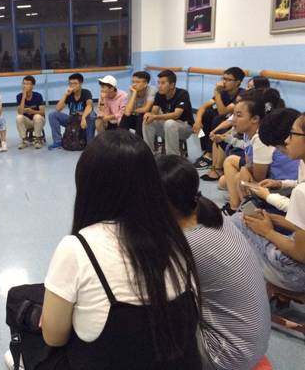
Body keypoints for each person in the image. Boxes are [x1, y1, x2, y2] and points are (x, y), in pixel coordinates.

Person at [12, 130, 202, 369]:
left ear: (88, 186)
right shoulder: (176, 240)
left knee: (20, 307)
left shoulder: (77, 248)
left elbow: (54, 337)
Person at [157, 155, 270, 370]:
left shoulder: (188, 243)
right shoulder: (212, 214)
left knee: (147, 322)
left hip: (225, 356)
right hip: (254, 343)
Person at [232, 113, 305, 292]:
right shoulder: (302, 167)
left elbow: (300, 254)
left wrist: (268, 232)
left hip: (299, 277)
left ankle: (252, 292)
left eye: (292, 134)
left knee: (236, 222)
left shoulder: (301, 192)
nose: (286, 141)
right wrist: (276, 220)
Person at [245, 108, 302, 213]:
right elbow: (301, 183)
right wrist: (280, 184)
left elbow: (299, 210)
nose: (287, 140)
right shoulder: (302, 161)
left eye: (293, 134)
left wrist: (268, 196)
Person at [193, 67, 246, 169]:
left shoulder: (242, 94)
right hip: (222, 119)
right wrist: (198, 121)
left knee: (218, 118)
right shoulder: (224, 92)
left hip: (233, 124)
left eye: (228, 80)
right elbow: (203, 107)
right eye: (223, 78)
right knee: (205, 115)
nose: (224, 82)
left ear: (237, 82)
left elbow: (223, 112)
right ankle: (206, 151)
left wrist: (217, 93)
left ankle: (210, 154)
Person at [142, 70, 194, 156]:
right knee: (147, 120)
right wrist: (150, 115)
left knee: (170, 123)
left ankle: (172, 157)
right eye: (158, 83)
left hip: (185, 127)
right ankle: (149, 154)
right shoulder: (159, 94)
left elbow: (176, 115)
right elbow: (154, 111)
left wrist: (155, 117)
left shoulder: (183, 93)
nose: (159, 86)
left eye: (163, 83)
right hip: (167, 126)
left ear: (172, 85)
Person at [48, 73, 95, 150]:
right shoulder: (69, 95)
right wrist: (65, 95)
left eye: (75, 83)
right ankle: (57, 142)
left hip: (84, 121)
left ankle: (89, 144)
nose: (72, 86)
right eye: (70, 83)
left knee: (92, 115)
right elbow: (57, 109)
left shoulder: (86, 92)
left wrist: (83, 118)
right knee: (52, 115)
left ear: (81, 83)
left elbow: (89, 106)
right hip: (72, 120)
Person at [120, 71, 157, 137]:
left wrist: (132, 110)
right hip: (136, 117)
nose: (134, 84)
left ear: (145, 84)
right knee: (125, 118)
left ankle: (139, 141)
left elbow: (146, 109)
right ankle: (122, 140)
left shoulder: (152, 90)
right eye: (133, 82)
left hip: (148, 119)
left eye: (137, 82)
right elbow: (127, 113)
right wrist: (134, 93)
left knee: (141, 116)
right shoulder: (132, 91)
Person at [16, 75, 45, 149]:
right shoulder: (19, 96)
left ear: (32, 86)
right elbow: (20, 112)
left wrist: (32, 111)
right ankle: (24, 141)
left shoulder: (38, 96)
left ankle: (38, 140)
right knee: (19, 117)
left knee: (37, 116)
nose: (25, 86)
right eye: (24, 83)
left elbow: (42, 112)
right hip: (27, 122)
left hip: (39, 121)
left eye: (28, 84)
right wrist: (23, 97)